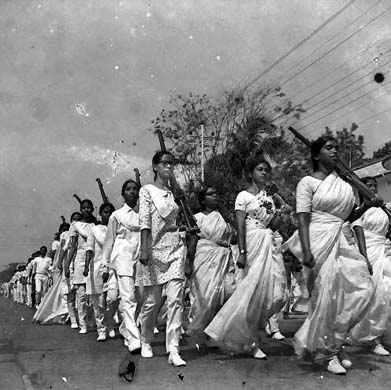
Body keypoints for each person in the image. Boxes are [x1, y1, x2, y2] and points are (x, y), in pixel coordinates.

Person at [285, 136, 376, 375]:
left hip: (339, 238)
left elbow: (347, 218)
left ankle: (335, 342)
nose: (335, 152)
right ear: (316, 155)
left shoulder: (345, 184)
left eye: (337, 148)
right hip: (316, 239)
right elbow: (302, 217)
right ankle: (329, 354)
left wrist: (367, 205)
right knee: (325, 296)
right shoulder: (307, 182)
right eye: (329, 148)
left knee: (362, 290)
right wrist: (305, 250)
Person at [205, 153, 287, 359]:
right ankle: (252, 342)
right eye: (260, 169)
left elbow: (274, 225)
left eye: (267, 170)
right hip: (251, 243)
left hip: (268, 242)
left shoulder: (269, 197)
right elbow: (240, 225)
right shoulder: (243, 196)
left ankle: (249, 330)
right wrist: (242, 252)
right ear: (250, 173)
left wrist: (282, 211)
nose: (264, 173)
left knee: (278, 294)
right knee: (251, 293)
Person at [137, 151, 187, 367]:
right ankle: (146, 340)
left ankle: (173, 349)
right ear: (155, 166)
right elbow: (145, 220)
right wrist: (145, 248)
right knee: (153, 302)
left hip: (175, 248)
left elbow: (179, 218)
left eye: (171, 163)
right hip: (153, 249)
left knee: (176, 300)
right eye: (164, 163)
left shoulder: (174, 192)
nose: (169, 166)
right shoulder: (147, 190)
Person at [349, 177, 391, 356]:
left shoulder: (384, 209)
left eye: (375, 186)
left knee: (385, 293)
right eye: (368, 186)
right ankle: (370, 338)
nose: (373, 189)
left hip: (384, 251)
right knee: (369, 296)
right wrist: (364, 259)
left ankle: (378, 336)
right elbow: (359, 235)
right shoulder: (359, 211)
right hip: (367, 252)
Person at [188, 186, 236, 336]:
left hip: (224, 257)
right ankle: (202, 330)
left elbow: (234, 237)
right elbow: (192, 241)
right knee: (205, 295)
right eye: (210, 194)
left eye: (216, 193)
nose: (215, 196)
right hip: (204, 257)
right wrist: (187, 264)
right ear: (203, 200)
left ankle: (216, 331)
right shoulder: (197, 217)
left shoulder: (224, 217)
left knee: (227, 292)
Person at [101, 180, 142, 350]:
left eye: (135, 189)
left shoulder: (144, 215)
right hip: (122, 258)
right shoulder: (116, 215)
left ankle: (125, 328)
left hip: (141, 257)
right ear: (123, 193)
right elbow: (109, 242)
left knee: (141, 298)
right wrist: (105, 265)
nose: (132, 192)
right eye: (128, 189)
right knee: (128, 298)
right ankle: (134, 339)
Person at [64, 200, 97, 334]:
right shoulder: (75, 225)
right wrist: (67, 265)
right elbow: (72, 247)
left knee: (94, 294)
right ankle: (82, 324)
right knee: (81, 295)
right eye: (84, 208)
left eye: (89, 207)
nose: (87, 210)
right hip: (79, 261)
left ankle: (93, 320)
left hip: (93, 259)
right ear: (81, 209)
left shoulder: (95, 225)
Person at [84, 202, 115, 341]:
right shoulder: (94, 229)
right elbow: (89, 248)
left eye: (110, 212)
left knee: (112, 299)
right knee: (98, 302)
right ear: (101, 214)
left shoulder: (116, 228)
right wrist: (86, 267)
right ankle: (101, 329)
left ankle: (109, 325)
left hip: (114, 267)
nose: (108, 215)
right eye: (105, 212)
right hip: (97, 268)